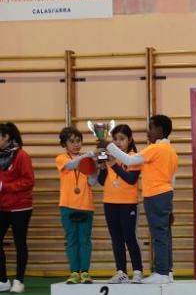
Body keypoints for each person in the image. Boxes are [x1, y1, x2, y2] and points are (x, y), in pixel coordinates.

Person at [103, 114, 178, 284]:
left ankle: (162, 273)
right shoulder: (172, 151)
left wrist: (109, 146)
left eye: (151, 127)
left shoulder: (155, 148)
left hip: (155, 195)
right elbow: (172, 179)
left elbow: (130, 159)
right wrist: (170, 206)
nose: (148, 131)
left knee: (158, 234)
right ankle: (168, 271)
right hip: (166, 195)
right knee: (165, 234)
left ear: (160, 130)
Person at [95, 124, 144, 283]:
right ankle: (121, 271)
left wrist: (114, 164)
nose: (117, 142)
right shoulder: (108, 156)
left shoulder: (134, 157)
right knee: (116, 239)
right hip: (110, 202)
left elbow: (131, 180)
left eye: (122, 139)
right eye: (115, 139)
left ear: (129, 140)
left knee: (130, 237)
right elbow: (102, 181)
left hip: (128, 203)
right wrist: (102, 168)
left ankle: (137, 271)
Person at [55, 126, 98, 284]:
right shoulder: (62, 158)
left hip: (86, 205)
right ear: (64, 144)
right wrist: (87, 156)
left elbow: (92, 181)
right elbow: (71, 165)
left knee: (85, 240)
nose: (76, 144)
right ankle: (74, 272)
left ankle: (85, 272)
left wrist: (96, 168)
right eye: (72, 141)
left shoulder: (86, 161)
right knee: (72, 239)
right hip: (67, 206)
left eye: (78, 141)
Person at [0, 122, 34, 294]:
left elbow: (28, 181)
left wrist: (5, 186)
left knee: (20, 243)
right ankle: (3, 279)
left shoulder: (21, 156)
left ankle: (19, 280)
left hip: (21, 208)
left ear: (6, 137)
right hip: (2, 207)